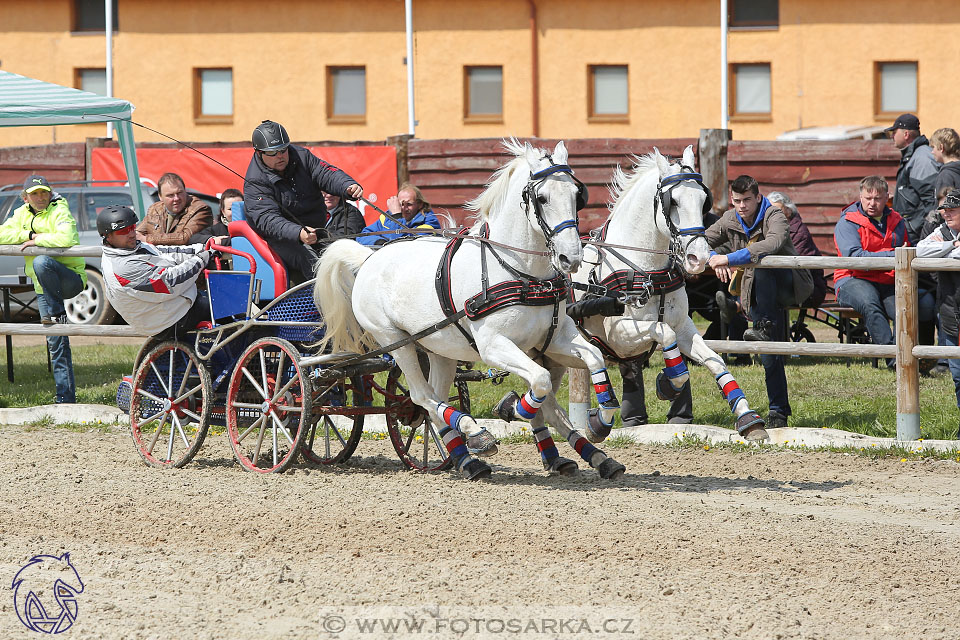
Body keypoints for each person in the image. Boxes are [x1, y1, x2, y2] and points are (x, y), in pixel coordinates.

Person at [706, 175, 814, 428]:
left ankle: (759, 323)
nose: (741, 206)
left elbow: (773, 242)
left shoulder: (773, 215)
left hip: (788, 284)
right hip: (754, 291)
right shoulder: (730, 218)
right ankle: (778, 411)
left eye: (746, 200)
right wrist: (713, 258)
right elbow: (702, 239)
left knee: (762, 261)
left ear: (757, 197)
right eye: (736, 201)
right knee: (768, 354)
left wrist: (730, 259)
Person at [833, 175, 936, 368]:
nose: (872, 203)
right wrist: (893, 255)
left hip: (888, 278)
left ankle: (912, 356)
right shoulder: (847, 223)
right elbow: (855, 258)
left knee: (905, 305)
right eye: (868, 198)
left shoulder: (897, 221)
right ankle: (894, 359)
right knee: (869, 303)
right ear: (860, 197)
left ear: (886, 197)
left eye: (877, 198)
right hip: (852, 278)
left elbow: (908, 248)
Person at [243, 120, 363, 283]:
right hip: (279, 238)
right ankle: (322, 305)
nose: (280, 156)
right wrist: (298, 233)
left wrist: (347, 186)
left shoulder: (301, 156)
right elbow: (267, 220)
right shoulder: (254, 181)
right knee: (310, 260)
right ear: (259, 153)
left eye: (283, 149)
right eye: (272, 153)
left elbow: (326, 173)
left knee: (342, 253)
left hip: (315, 230)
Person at [0, 175, 85, 403]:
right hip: (43, 287)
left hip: (71, 279)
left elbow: (67, 237)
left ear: (50, 193)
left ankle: (57, 314)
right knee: (56, 342)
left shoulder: (60, 209)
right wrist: (28, 235)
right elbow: (1, 234)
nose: (40, 197)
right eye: (34, 193)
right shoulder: (21, 213)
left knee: (40, 261)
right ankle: (65, 399)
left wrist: (38, 241)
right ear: (25, 197)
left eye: (43, 192)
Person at [98, 206, 214, 338]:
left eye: (132, 228)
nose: (131, 233)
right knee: (230, 309)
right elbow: (171, 282)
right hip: (169, 320)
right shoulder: (123, 267)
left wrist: (203, 248)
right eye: (123, 231)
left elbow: (166, 253)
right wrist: (202, 259)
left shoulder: (130, 248)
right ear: (107, 236)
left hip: (169, 308)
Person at [917, 189, 960, 436]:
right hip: (952, 311)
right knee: (958, 374)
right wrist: (952, 245)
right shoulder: (944, 232)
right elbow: (920, 251)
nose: (947, 215)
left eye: (953, 210)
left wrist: (945, 251)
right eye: (946, 210)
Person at [887, 114, 941, 244]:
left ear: (906, 134)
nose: (891, 136)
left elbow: (932, 200)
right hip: (912, 232)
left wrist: (920, 229)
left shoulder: (922, 157)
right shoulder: (914, 156)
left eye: (894, 132)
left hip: (918, 235)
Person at [767, 191, 827, 309]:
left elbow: (793, 265)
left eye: (778, 210)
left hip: (807, 287)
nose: (774, 215)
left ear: (789, 211)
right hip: (786, 283)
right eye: (770, 211)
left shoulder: (799, 232)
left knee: (768, 285)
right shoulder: (769, 229)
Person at [137, 173, 213, 246]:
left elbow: (185, 238)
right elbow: (137, 234)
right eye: (170, 195)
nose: (176, 198)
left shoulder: (200, 209)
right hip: (157, 257)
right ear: (160, 197)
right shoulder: (154, 209)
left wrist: (147, 239)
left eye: (180, 193)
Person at [356, 183, 441, 246]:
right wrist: (380, 242)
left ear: (420, 204)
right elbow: (362, 236)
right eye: (401, 204)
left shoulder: (429, 223)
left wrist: (397, 216)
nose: (404, 208)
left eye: (409, 204)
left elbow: (400, 245)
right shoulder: (386, 218)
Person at [931, 128, 960, 195]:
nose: (932, 152)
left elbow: (945, 204)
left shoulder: (945, 176)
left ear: (941, 147)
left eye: (933, 147)